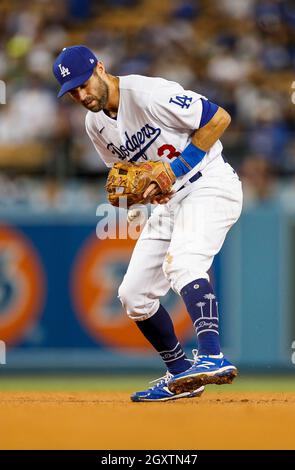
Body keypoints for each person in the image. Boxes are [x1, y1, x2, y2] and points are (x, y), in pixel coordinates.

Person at [53, 45, 243, 402]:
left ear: (101, 69)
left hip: (209, 184)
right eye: (73, 91)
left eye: (83, 84)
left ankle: (213, 355)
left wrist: (172, 170)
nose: (81, 94)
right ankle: (182, 374)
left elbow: (219, 119)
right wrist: (139, 193)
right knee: (133, 296)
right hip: (170, 204)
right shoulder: (94, 124)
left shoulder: (149, 94)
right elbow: (125, 174)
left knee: (185, 263)